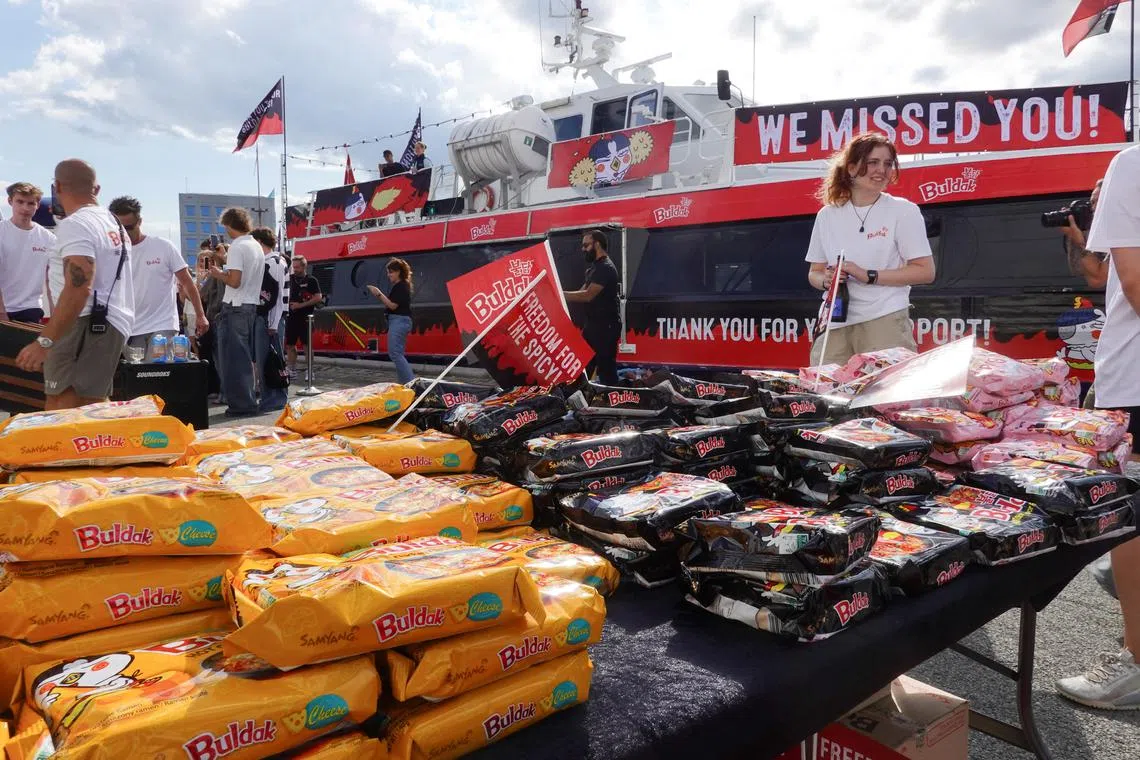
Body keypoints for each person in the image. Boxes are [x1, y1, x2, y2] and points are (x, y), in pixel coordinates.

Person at [1055, 143, 1140, 711]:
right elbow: (1104, 273)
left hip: (1135, 379)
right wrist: (1087, 231)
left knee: (1134, 519)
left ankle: (1136, 662)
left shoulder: (1132, 163)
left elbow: (1132, 283)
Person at [805, 132, 936, 365]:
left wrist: (868, 275)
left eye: (888, 164)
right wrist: (826, 280)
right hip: (834, 323)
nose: (882, 170)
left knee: (886, 397)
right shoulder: (826, 215)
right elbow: (814, 272)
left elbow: (925, 271)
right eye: (873, 162)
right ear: (852, 167)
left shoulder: (903, 211)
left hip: (884, 320)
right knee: (827, 395)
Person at [15, 160, 134, 409]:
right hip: (111, 321)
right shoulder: (113, 223)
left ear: (57, 186)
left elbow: (79, 286)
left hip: (82, 321)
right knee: (93, 403)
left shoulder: (75, 224)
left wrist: (45, 341)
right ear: (97, 190)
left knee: (62, 403)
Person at [109, 196, 206, 351]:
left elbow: (187, 282)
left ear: (139, 222)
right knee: (135, 374)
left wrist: (200, 315)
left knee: (158, 372)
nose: (124, 233)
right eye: (119, 228)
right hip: (129, 329)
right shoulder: (111, 252)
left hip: (162, 325)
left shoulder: (163, 246)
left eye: (129, 227)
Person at [208, 207, 264, 417]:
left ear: (229, 225)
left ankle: (241, 405)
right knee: (244, 359)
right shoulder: (255, 245)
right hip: (250, 306)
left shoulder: (237, 247)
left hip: (235, 306)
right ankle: (247, 401)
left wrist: (217, 273)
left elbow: (234, 281)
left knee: (232, 360)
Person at [564, 229, 621, 385]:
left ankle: (614, 402)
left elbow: (588, 295)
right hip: (593, 326)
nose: (583, 249)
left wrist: (561, 294)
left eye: (586, 245)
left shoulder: (606, 268)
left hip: (605, 328)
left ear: (597, 244)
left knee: (606, 370)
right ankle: (582, 400)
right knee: (583, 367)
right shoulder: (594, 268)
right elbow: (581, 291)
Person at [0, 182, 55, 323]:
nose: (25, 208)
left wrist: (55, 316)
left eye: (30, 203)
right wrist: (2, 312)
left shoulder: (48, 238)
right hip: (4, 308)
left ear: (37, 205)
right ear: (10, 201)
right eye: (20, 202)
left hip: (30, 309)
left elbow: (52, 280)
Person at [251, 226, 289, 412]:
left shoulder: (273, 262)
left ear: (258, 242)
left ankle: (275, 398)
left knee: (272, 360)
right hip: (268, 318)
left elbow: (278, 297)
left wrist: (273, 323)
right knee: (267, 359)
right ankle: (270, 398)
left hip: (269, 318)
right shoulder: (271, 261)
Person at [367, 258, 414, 384]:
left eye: (391, 272)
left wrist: (378, 293)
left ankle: (410, 382)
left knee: (395, 353)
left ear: (398, 272)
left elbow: (393, 305)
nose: (388, 275)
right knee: (397, 353)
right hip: (399, 321)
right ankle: (404, 383)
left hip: (399, 321)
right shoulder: (402, 285)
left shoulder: (401, 286)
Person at [198, 240, 227, 401]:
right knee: (219, 358)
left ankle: (224, 393)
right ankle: (224, 392)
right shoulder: (219, 273)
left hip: (216, 317)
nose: (206, 263)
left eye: (209, 259)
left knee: (220, 359)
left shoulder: (217, 274)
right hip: (218, 316)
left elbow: (203, 294)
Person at [286, 254, 322, 377]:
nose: (295, 269)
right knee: (290, 344)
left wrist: (300, 305)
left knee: (307, 345)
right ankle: (292, 369)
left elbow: (318, 297)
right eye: (293, 267)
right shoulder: (289, 279)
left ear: (304, 267)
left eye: (297, 267)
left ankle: (310, 370)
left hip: (306, 317)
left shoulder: (311, 280)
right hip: (291, 317)